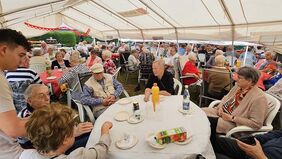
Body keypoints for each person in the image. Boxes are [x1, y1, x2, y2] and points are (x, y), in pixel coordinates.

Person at [18, 84, 93, 154]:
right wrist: (72, 133)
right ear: (29, 101)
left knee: (91, 130)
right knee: (91, 138)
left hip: (61, 140)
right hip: (47, 151)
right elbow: (44, 145)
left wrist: (74, 128)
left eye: (47, 94)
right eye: (41, 96)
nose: (47, 98)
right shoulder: (27, 118)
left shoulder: (44, 109)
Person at [19, 104, 112, 159]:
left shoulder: (26, 154)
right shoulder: (77, 156)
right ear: (65, 139)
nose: (76, 127)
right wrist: (105, 131)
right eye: (74, 126)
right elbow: (99, 151)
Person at [202, 67, 268, 140]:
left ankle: (202, 142)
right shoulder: (238, 86)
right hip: (221, 113)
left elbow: (256, 124)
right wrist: (220, 107)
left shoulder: (259, 98)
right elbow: (225, 98)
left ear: (249, 81)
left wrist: (232, 118)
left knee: (205, 121)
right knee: (198, 112)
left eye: (239, 78)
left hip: (234, 124)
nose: (236, 79)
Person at [0, 28, 31, 159]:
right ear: (3, 50)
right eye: (20, 55)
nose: (23, 60)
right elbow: (14, 128)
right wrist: (56, 120)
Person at [212, 129, 282, 159]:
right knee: (215, 141)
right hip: (256, 149)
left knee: (213, 156)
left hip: (260, 155)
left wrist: (260, 156)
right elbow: (275, 134)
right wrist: (251, 139)